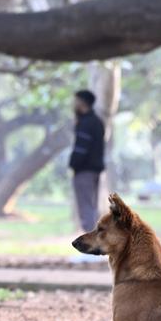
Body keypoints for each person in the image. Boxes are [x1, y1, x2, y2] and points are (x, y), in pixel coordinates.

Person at [69, 89, 106, 231]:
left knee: (85, 207)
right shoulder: (97, 122)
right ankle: (95, 242)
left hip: (84, 170)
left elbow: (81, 149)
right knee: (92, 206)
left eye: (75, 101)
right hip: (95, 170)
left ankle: (91, 244)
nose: (73, 104)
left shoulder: (86, 123)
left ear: (82, 102)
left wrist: (74, 164)